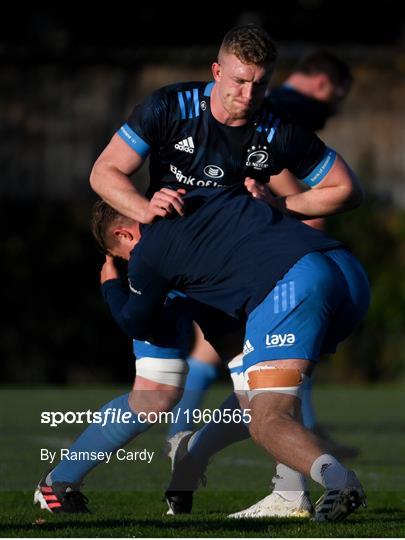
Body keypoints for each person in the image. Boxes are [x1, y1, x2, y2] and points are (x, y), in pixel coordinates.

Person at [34, 24, 362, 516]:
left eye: (259, 84)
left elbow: (342, 189)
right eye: (237, 81)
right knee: (157, 395)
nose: (247, 94)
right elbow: (104, 172)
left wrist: (279, 205)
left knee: (259, 390)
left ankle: (269, 485)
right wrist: (145, 213)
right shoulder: (170, 107)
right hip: (170, 261)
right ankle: (59, 480)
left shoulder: (273, 125)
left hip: (230, 272)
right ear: (215, 72)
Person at [94, 185, 369, 523]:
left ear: (124, 233)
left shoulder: (149, 249)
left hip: (293, 281)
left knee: (267, 419)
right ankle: (273, 487)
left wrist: (110, 285)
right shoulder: (205, 195)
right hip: (346, 270)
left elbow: (135, 321)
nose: (128, 264)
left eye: (123, 256)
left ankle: (337, 482)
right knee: (265, 397)